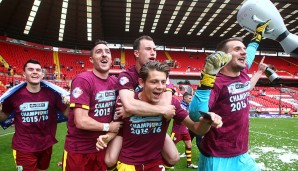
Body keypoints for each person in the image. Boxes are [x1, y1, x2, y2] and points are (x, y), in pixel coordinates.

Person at [96, 61, 223, 170]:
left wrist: (208, 120)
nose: (160, 87)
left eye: (163, 82)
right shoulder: (125, 103)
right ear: (141, 82)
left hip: (155, 163)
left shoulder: (171, 103)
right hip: (128, 164)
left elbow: (196, 128)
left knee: (174, 158)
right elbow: (118, 128)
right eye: (154, 82)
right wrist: (106, 137)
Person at [189, 20, 271, 171]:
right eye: (237, 49)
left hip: (242, 154)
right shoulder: (216, 82)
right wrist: (207, 78)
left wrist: (258, 36)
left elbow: (251, 51)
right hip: (218, 157)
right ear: (224, 56)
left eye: (244, 49)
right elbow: (195, 114)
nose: (244, 52)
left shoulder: (244, 71)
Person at [104, 35, 178, 170]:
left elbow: (166, 105)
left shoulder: (160, 73)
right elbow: (130, 105)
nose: (153, 52)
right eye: (148, 49)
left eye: (155, 49)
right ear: (136, 53)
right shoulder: (126, 75)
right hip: (125, 125)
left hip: (151, 124)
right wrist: (161, 110)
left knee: (174, 158)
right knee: (110, 160)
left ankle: (153, 148)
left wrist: (132, 109)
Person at [0, 59, 70, 171]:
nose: (35, 72)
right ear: (24, 74)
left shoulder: (53, 94)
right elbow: (4, 116)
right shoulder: (14, 95)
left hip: (46, 144)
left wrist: (69, 105)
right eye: (30, 69)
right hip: (23, 146)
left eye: (38, 70)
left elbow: (67, 115)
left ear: (42, 75)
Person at [63, 40, 122, 171]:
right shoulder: (83, 80)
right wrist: (109, 126)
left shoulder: (115, 82)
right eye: (99, 52)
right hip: (79, 150)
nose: (104, 55)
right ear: (91, 59)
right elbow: (81, 121)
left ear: (111, 59)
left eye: (107, 52)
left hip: (102, 147)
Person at [170, 92, 198, 169]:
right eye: (189, 98)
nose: (191, 100)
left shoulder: (189, 105)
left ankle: (189, 164)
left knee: (189, 145)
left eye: (191, 98)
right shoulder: (179, 105)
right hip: (176, 131)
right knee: (171, 148)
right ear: (184, 98)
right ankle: (168, 164)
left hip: (185, 130)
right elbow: (184, 115)